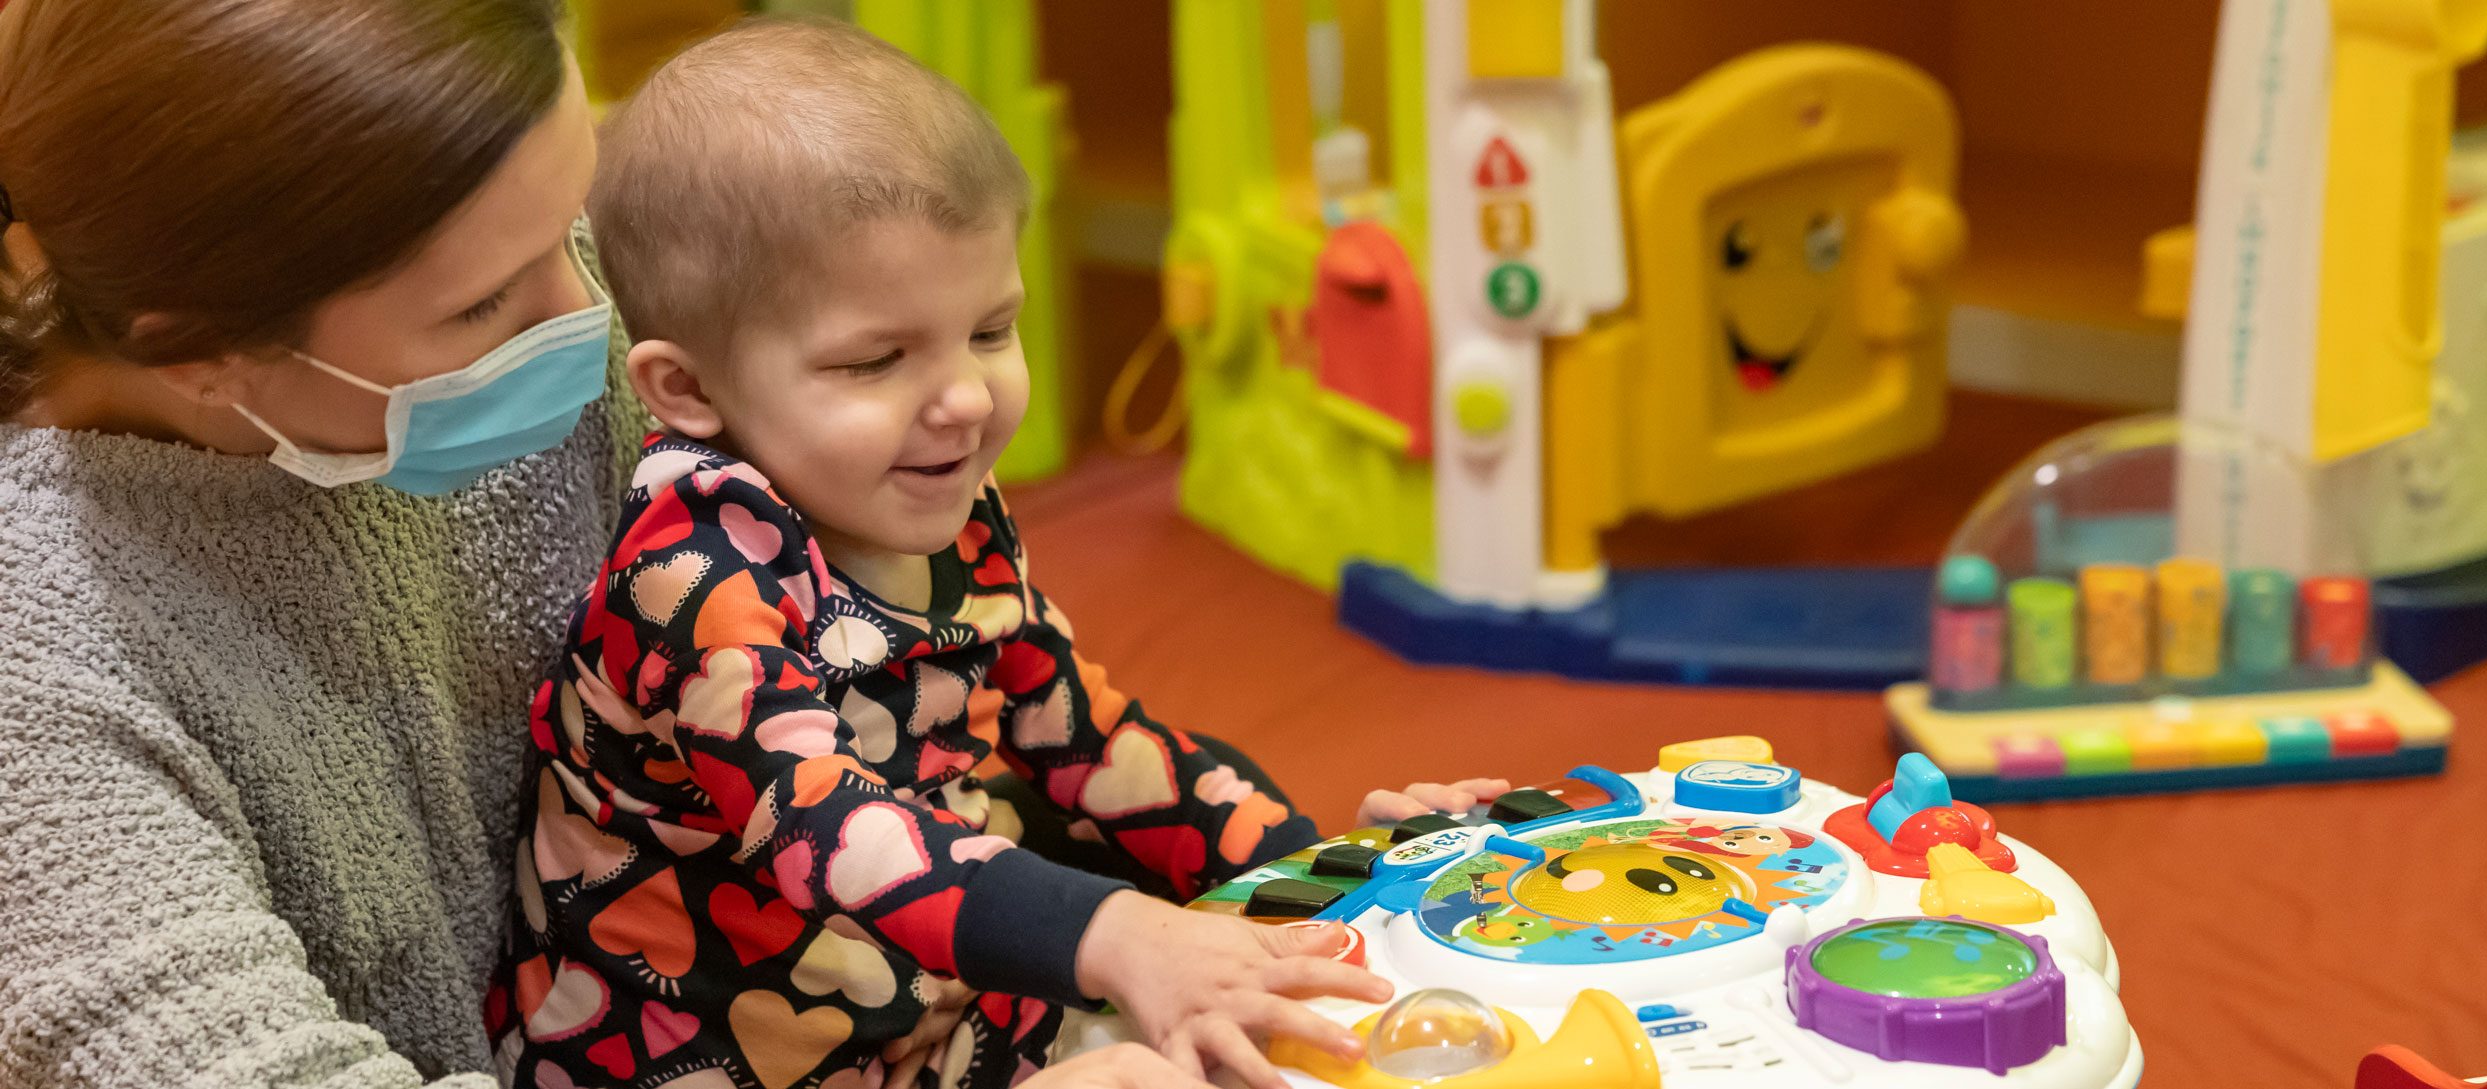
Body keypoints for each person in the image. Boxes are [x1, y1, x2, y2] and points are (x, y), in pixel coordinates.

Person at [0, 2, 1254, 1087]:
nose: (594, 314)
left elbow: (963, 706)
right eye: (485, 303)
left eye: (572, 222)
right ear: (199, 354)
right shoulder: (45, 684)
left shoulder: (587, 331)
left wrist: (1310, 880)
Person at [501, 18, 1506, 1089]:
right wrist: (1117, 935)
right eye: (877, 360)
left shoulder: (951, 506)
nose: (968, 399)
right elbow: (825, 825)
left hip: (922, 1022)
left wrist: (1317, 880)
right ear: (690, 389)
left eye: (989, 330)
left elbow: (1086, 738)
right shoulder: (687, 569)